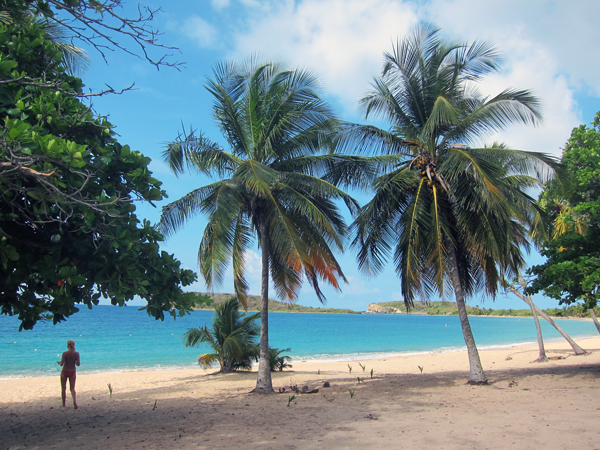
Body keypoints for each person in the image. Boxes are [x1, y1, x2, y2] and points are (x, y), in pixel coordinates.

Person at [57, 340, 80, 409]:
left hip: (65, 371)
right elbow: (78, 364)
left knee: (63, 388)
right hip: (72, 371)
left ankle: (64, 404)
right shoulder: (76, 354)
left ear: (67, 346)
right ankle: (74, 401)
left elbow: (62, 364)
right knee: (72, 389)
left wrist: (59, 363)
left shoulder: (65, 353)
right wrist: (74, 361)